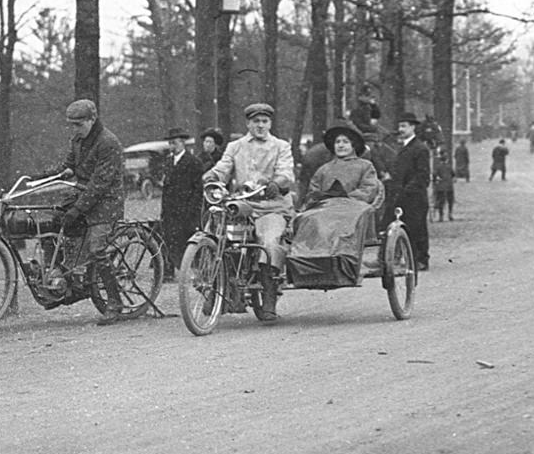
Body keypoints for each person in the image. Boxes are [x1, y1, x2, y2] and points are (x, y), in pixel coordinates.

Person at [204, 103, 295, 322]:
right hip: (241, 205)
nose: (260, 126)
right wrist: (212, 176)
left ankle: (270, 295)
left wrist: (277, 183)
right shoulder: (236, 146)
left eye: (264, 121)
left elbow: (286, 173)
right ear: (248, 124)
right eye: (256, 122)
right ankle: (216, 288)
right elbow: (223, 167)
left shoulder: (281, 146)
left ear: (270, 123)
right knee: (214, 233)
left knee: (269, 242)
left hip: (271, 206)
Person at [45, 99, 126, 326]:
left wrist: (78, 209)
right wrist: (41, 177)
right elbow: (68, 167)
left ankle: (114, 303)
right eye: (71, 125)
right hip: (82, 196)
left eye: (79, 124)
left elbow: (100, 184)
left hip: (107, 202)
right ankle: (67, 282)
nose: (75, 129)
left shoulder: (108, 143)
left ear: (92, 119)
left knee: (97, 249)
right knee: (52, 224)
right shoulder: (79, 139)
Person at [289, 120, 384, 285]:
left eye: (345, 142)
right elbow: (313, 191)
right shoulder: (324, 169)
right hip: (326, 206)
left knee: (343, 220)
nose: (341, 145)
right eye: (338, 142)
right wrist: (319, 197)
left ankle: (342, 261)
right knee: (307, 218)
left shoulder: (365, 166)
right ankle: (310, 259)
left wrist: (347, 197)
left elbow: (369, 188)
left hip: (353, 206)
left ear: (353, 145)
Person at [381, 111, 431, 271]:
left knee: (417, 228)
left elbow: (422, 176)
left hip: (414, 197)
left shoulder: (420, 148)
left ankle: (421, 260)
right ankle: (396, 258)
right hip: (401, 195)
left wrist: (407, 190)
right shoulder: (404, 148)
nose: (400, 129)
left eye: (404, 126)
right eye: (399, 126)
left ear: (412, 127)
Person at [159, 127, 204, 280]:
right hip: (171, 210)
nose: (172, 146)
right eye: (170, 143)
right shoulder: (168, 161)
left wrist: (191, 211)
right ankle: (173, 271)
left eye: (175, 143)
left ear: (183, 143)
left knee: (189, 240)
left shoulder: (193, 162)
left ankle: (194, 271)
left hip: (187, 210)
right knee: (171, 240)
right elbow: (166, 188)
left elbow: (198, 190)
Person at [432, 148, 455, 221]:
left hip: (441, 187)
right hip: (449, 186)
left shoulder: (438, 167)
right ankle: (450, 214)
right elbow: (453, 174)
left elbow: (434, 175)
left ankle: (441, 216)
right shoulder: (449, 166)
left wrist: (435, 180)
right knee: (450, 201)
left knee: (441, 201)